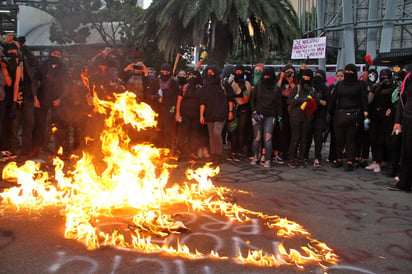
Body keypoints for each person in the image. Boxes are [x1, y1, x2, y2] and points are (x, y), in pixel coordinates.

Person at [328, 64, 368, 171]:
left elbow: (364, 101)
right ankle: (339, 159)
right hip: (339, 114)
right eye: (347, 72)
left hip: (354, 115)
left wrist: (365, 115)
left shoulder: (360, 85)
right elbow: (333, 99)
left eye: (350, 72)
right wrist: (329, 113)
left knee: (351, 139)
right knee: (339, 139)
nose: (348, 74)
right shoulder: (340, 85)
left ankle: (350, 160)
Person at [30, 49, 68, 158]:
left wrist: (60, 98)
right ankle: (36, 148)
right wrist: (35, 98)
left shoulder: (63, 68)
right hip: (42, 98)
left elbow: (67, 86)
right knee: (39, 124)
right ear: (50, 54)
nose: (56, 56)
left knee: (59, 124)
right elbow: (34, 82)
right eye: (54, 54)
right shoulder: (43, 66)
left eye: (58, 54)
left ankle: (59, 150)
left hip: (57, 100)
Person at [250, 67, 282, 168]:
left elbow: (279, 104)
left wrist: (280, 118)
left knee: (267, 138)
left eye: (268, 76)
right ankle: (255, 156)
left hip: (270, 116)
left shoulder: (276, 89)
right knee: (257, 138)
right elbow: (252, 100)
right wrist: (254, 111)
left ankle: (267, 159)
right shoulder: (258, 86)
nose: (266, 78)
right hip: (257, 114)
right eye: (265, 76)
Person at [365, 68, 396, 173]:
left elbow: (394, 101)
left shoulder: (393, 88)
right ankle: (375, 161)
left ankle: (380, 161)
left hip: (386, 118)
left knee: (381, 141)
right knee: (373, 139)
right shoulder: (376, 87)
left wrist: (391, 109)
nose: (384, 78)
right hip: (374, 116)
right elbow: (370, 100)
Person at [200, 65, 231, 164]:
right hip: (210, 113)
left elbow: (230, 99)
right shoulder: (206, 86)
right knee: (211, 135)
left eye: (212, 73)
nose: (211, 75)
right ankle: (213, 154)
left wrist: (230, 112)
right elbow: (203, 102)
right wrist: (201, 115)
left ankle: (218, 154)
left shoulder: (223, 84)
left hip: (221, 112)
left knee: (217, 133)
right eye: (209, 73)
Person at [287, 69, 317, 168]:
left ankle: (301, 158)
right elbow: (290, 101)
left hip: (307, 117)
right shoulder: (297, 88)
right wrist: (302, 100)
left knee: (304, 139)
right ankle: (292, 158)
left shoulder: (312, 89)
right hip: (295, 117)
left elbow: (316, 102)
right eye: (304, 77)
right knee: (295, 138)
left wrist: (313, 99)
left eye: (308, 78)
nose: (306, 79)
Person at [389, 64, 412, 192]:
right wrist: (398, 121)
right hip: (408, 118)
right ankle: (404, 183)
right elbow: (401, 100)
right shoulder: (408, 78)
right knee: (407, 152)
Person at [148, 63, 179, 150]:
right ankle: (157, 147)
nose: (165, 73)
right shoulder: (154, 82)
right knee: (157, 129)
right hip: (157, 110)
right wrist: (154, 97)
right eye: (163, 71)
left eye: (167, 72)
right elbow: (149, 94)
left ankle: (167, 148)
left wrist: (173, 109)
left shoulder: (173, 83)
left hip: (168, 110)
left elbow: (175, 97)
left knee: (167, 130)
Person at [175, 70, 204, 160]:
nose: (192, 77)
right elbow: (179, 101)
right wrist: (177, 113)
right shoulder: (185, 87)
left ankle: (192, 152)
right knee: (182, 134)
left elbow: (202, 103)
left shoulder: (201, 88)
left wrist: (201, 116)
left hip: (196, 116)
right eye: (190, 75)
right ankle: (179, 152)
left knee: (194, 135)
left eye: (194, 76)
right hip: (185, 115)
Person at [305, 69, 329, 167]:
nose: (317, 78)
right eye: (316, 75)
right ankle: (305, 155)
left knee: (318, 136)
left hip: (320, 114)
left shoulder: (325, 88)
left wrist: (319, 102)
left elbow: (327, 102)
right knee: (307, 135)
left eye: (320, 76)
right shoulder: (310, 87)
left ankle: (317, 156)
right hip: (310, 113)